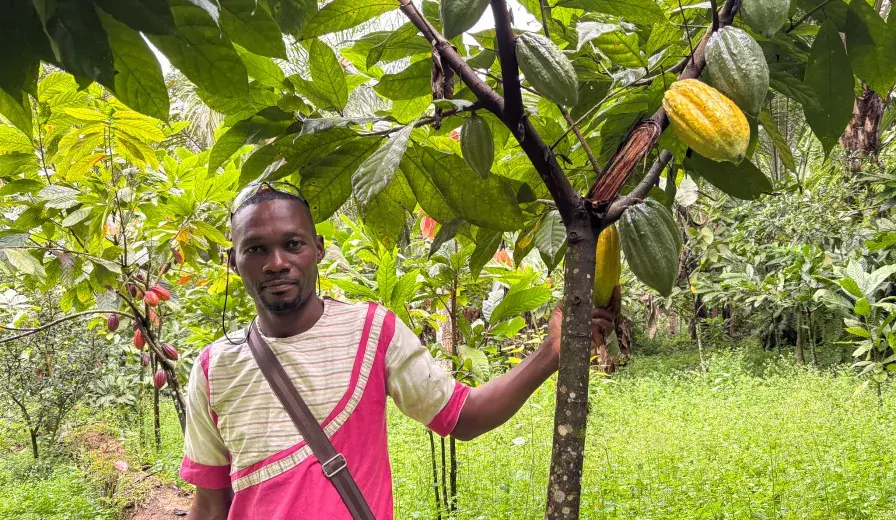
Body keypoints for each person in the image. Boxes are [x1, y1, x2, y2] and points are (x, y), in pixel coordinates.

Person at [182, 181, 620, 519]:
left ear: (316, 249)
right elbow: (210, 504)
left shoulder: (372, 330)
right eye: (256, 249)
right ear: (234, 261)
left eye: (292, 243)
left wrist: (551, 352)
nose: (276, 261)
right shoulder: (213, 367)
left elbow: (461, 416)